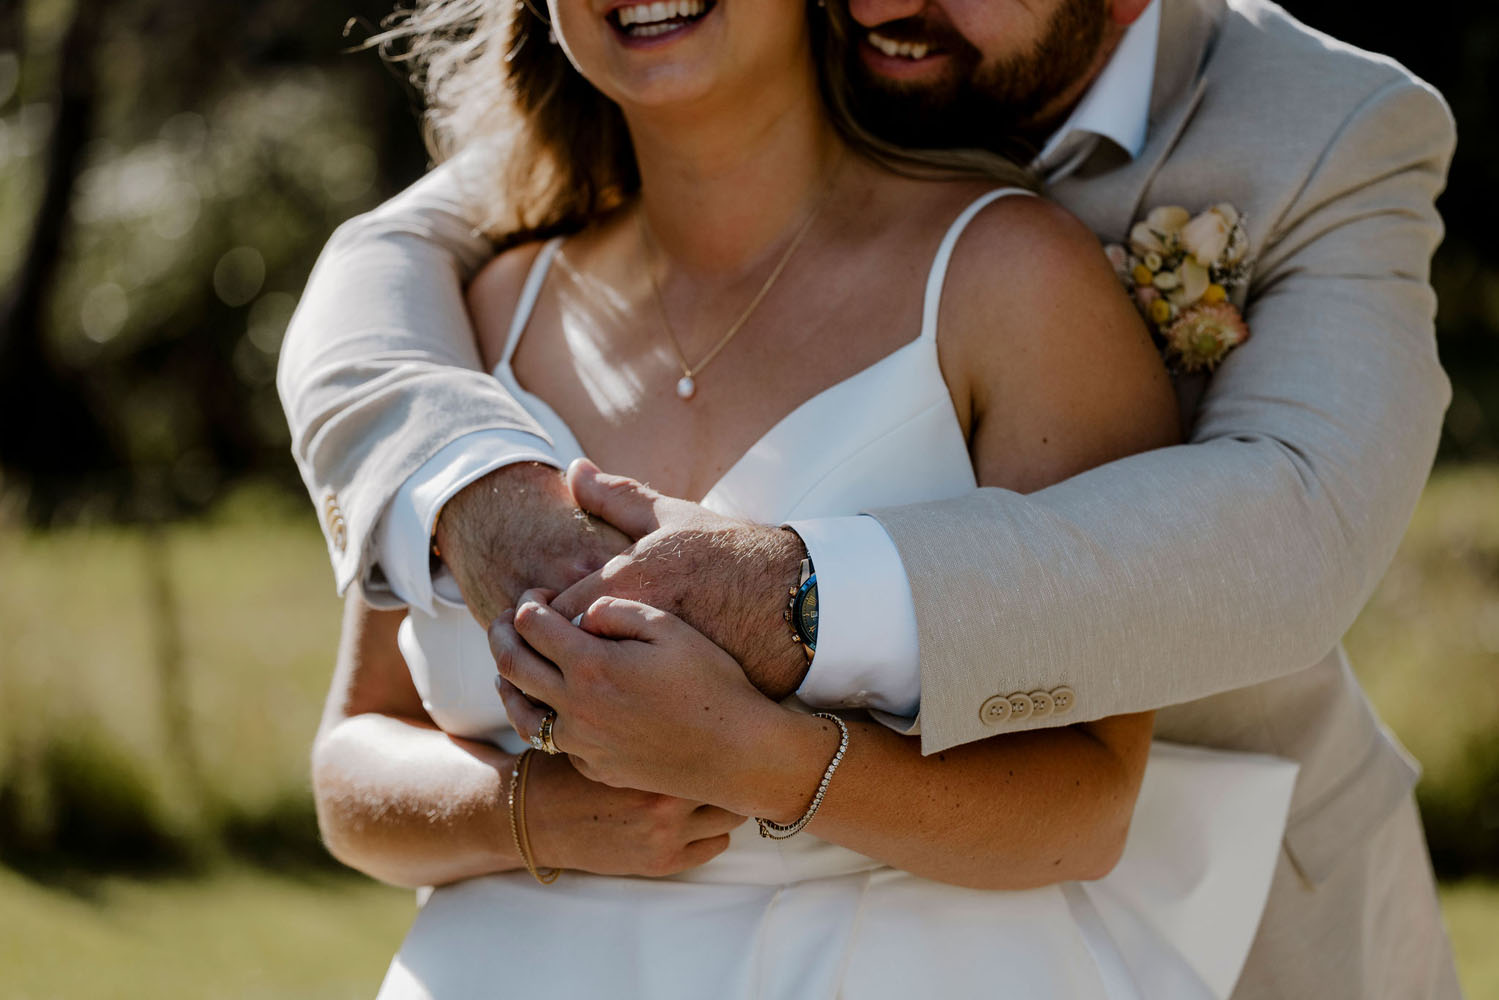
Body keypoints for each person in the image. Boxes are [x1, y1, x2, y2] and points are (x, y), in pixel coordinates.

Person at [281, 0, 1461, 996]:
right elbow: (370, 273)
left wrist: (776, 650)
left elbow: (1293, 535)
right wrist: (480, 508)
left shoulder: (1270, 160)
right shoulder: (480, 298)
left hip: (1145, 909)